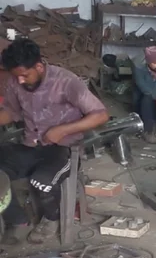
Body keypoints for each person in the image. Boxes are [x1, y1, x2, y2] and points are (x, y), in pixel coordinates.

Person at [0, 39, 109, 244]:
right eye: (17, 76)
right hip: (31, 145)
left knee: (41, 182)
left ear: (39, 67)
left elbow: (101, 115)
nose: (20, 81)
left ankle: (51, 219)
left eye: (25, 75)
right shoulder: (16, 82)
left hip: (64, 149)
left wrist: (63, 129)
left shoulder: (66, 82)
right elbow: (11, 112)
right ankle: (17, 219)